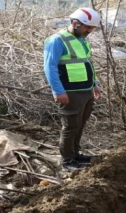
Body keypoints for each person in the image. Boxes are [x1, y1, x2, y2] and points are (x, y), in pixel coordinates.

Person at [43, 8, 101, 171]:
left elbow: (86, 63)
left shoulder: (82, 39)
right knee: (70, 127)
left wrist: (94, 84)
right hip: (70, 92)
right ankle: (68, 161)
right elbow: (50, 68)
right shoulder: (56, 40)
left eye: (92, 28)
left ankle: (76, 154)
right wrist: (58, 91)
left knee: (80, 124)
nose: (90, 31)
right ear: (75, 23)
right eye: (87, 27)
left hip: (86, 90)